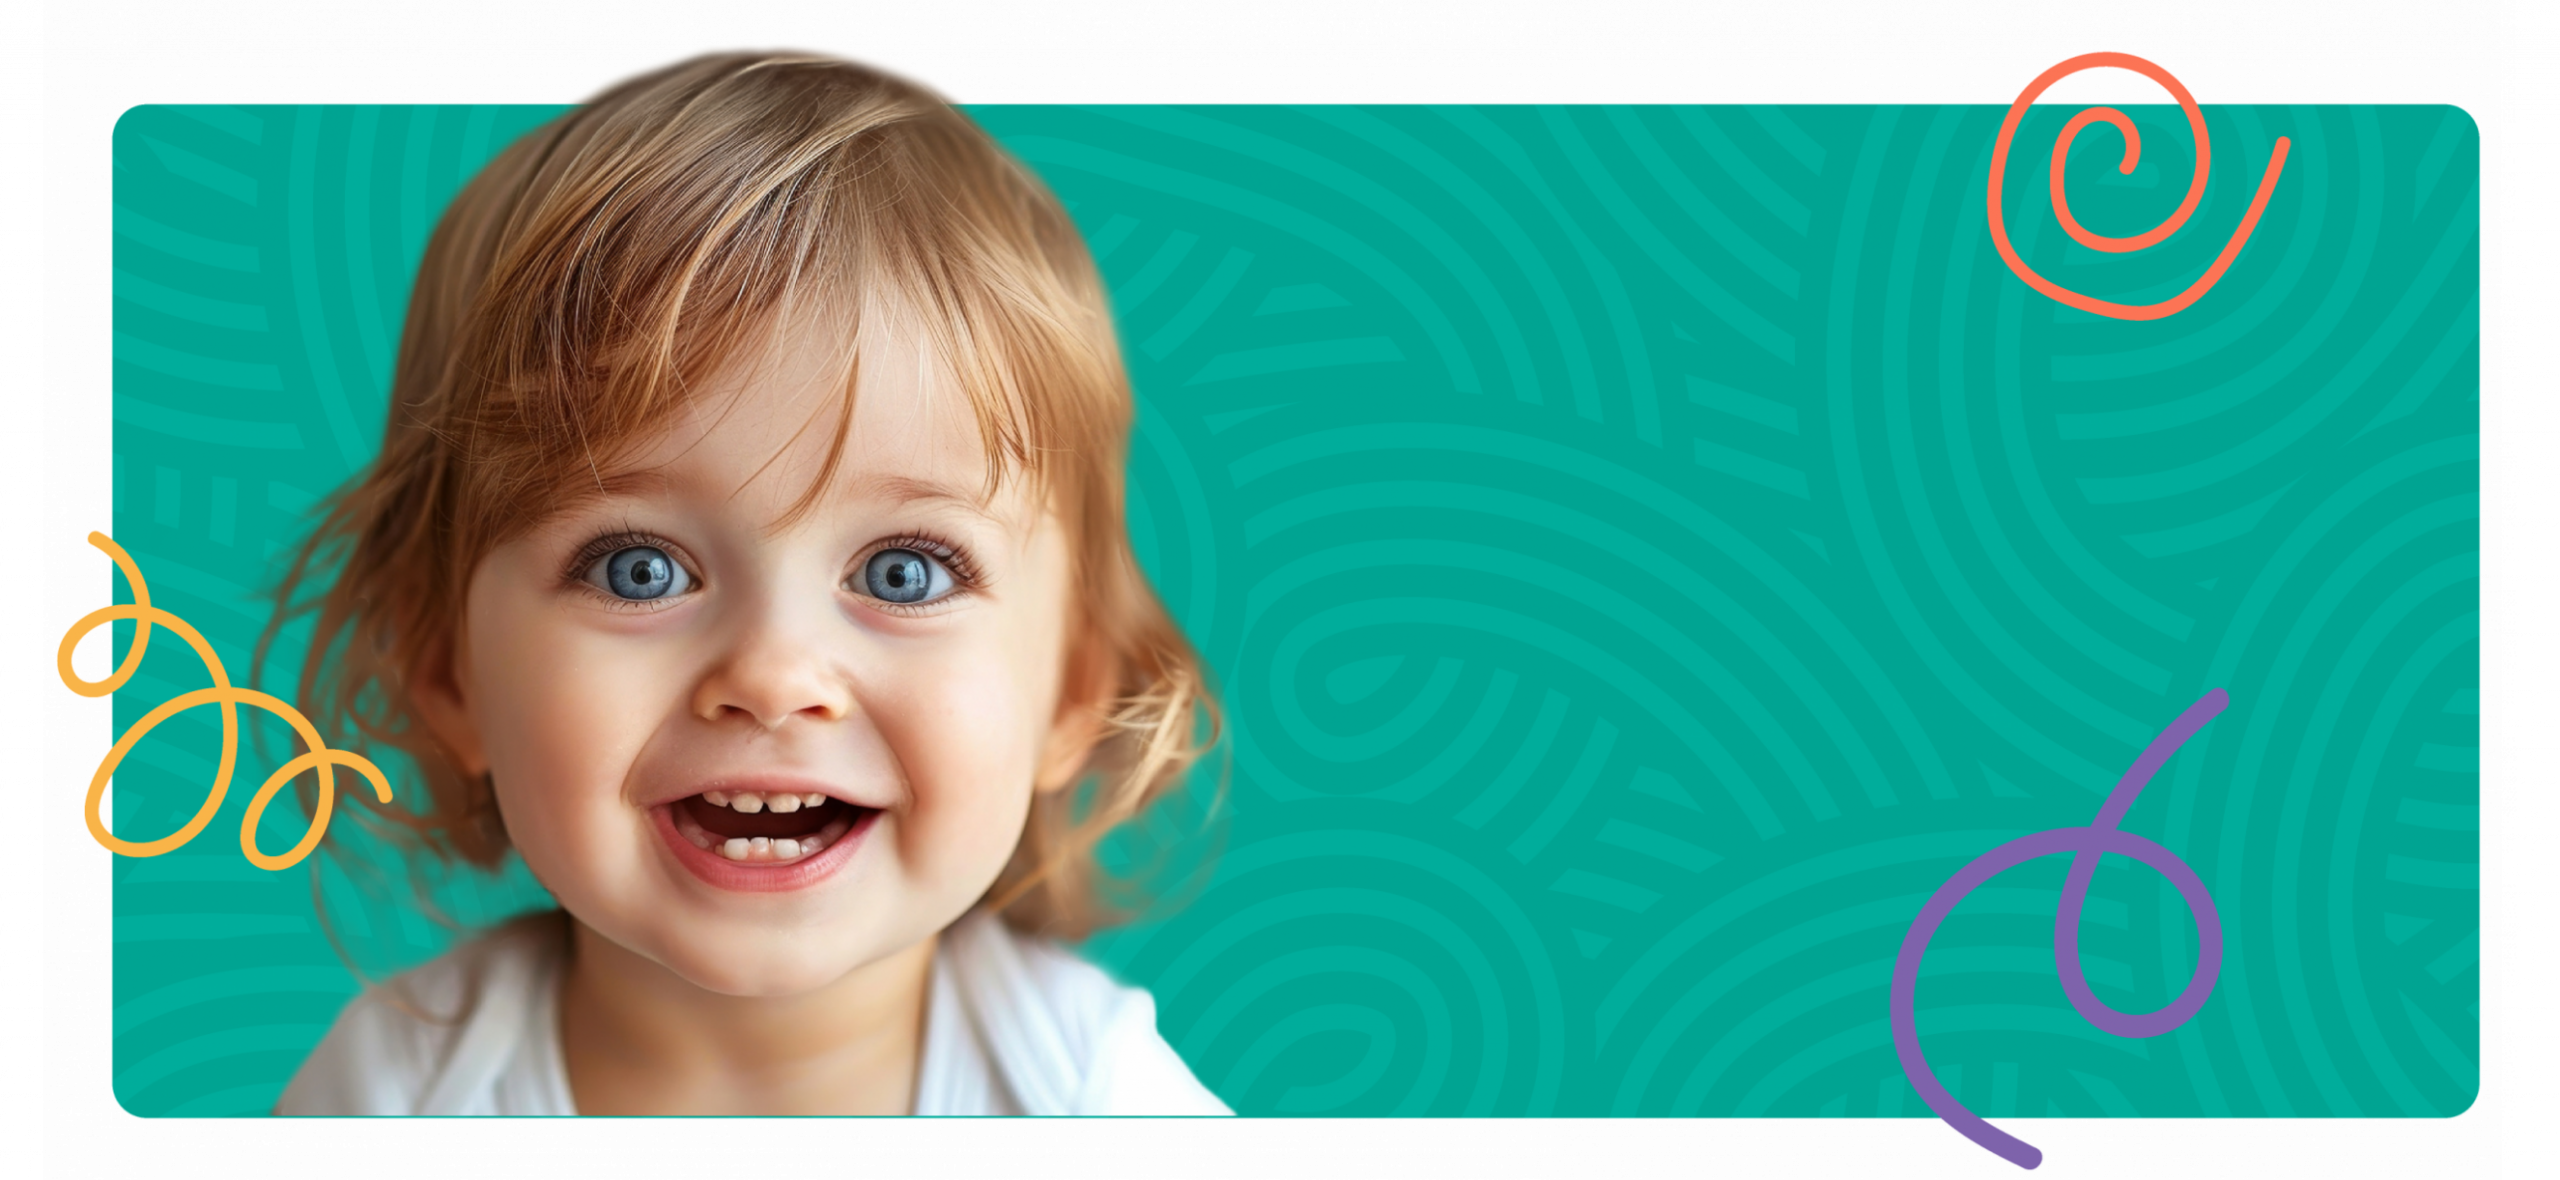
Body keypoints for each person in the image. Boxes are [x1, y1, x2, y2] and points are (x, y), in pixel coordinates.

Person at [267, 43, 1229, 1116]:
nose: (772, 676)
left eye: (903, 572)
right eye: (639, 570)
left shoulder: (1089, 1087)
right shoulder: (396, 1083)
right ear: (447, 670)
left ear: (1072, 685)